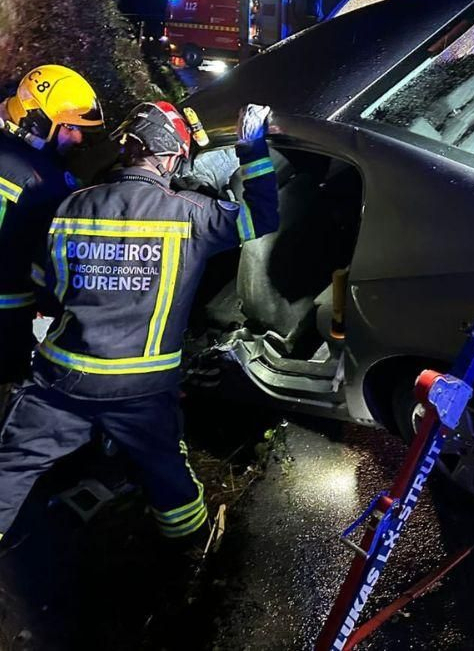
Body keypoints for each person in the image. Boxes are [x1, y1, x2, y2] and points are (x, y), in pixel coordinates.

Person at [0, 100, 277, 544]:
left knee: (11, 466)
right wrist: (253, 147)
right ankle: (189, 549)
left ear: (127, 150)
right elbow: (261, 216)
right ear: (169, 159)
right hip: (141, 390)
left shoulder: (71, 206)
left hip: (61, 377)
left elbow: (44, 285)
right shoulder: (191, 213)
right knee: (166, 471)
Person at [0, 66, 103, 383]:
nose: (78, 136)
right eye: (69, 127)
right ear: (39, 122)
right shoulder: (46, 183)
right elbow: (52, 263)